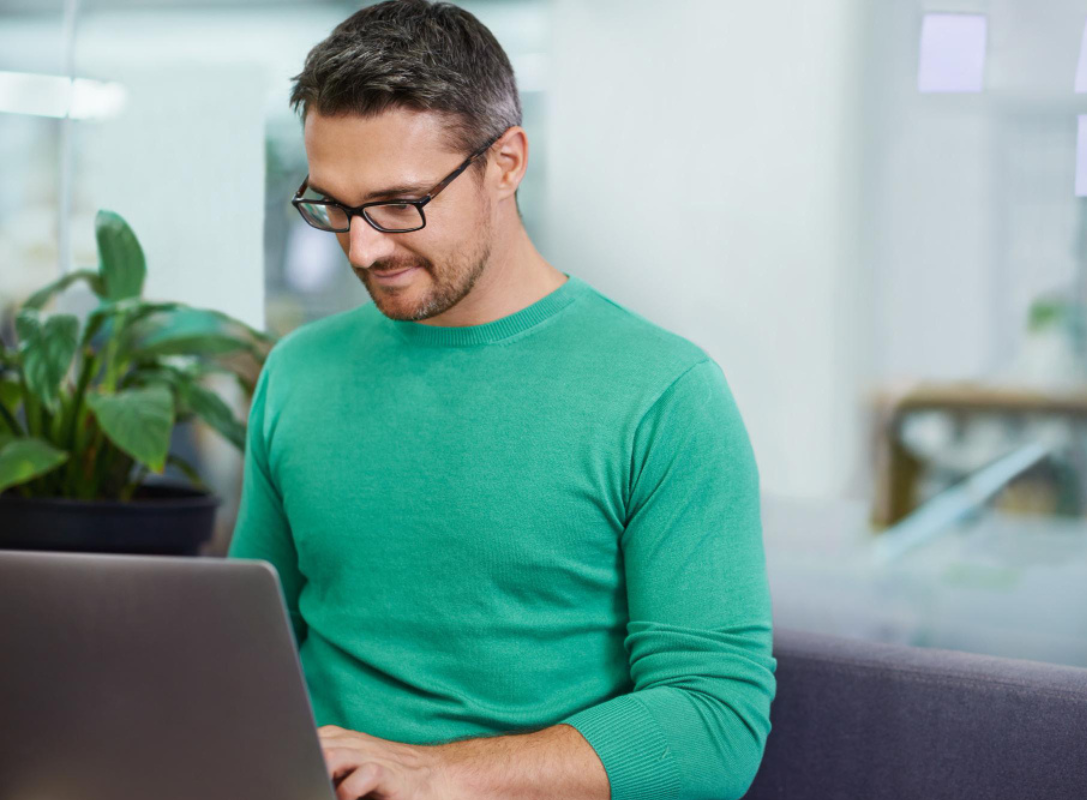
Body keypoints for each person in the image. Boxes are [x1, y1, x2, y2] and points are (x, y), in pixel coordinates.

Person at [226, 2, 776, 798]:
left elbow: (714, 723)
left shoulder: (664, 395)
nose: (363, 248)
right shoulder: (297, 373)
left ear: (506, 162)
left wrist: (435, 774)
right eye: (334, 207)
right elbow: (246, 652)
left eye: (399, 203)